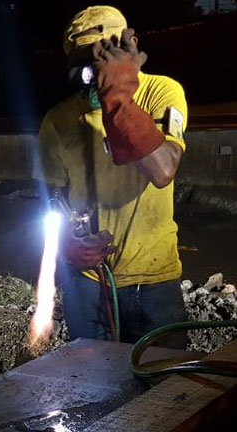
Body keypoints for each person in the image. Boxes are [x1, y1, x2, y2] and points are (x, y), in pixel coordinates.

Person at [35, 6, 188, 347]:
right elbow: (52, 197)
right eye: (83, 61)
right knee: (96, 388)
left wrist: (117, 100)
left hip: (155, 281)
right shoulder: (58, 121)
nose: (93, 69)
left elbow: (163, 169)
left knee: (165, 388)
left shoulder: (161, 93)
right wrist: (66, 244)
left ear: (130, 45)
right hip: (87, 282)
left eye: (103, 55)